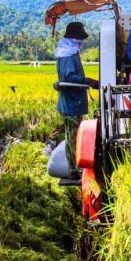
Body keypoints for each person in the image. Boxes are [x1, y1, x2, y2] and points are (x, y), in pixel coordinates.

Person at [55, 21, 99, 180]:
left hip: (72, 101)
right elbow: (68, 77)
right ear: (74, 38)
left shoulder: (67, 51)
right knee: (74, 137)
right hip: (71, 102)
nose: (81, 42)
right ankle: (76, 169)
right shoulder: (68, 54)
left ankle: (73, 168)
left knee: (71, 136)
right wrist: (88, 81)